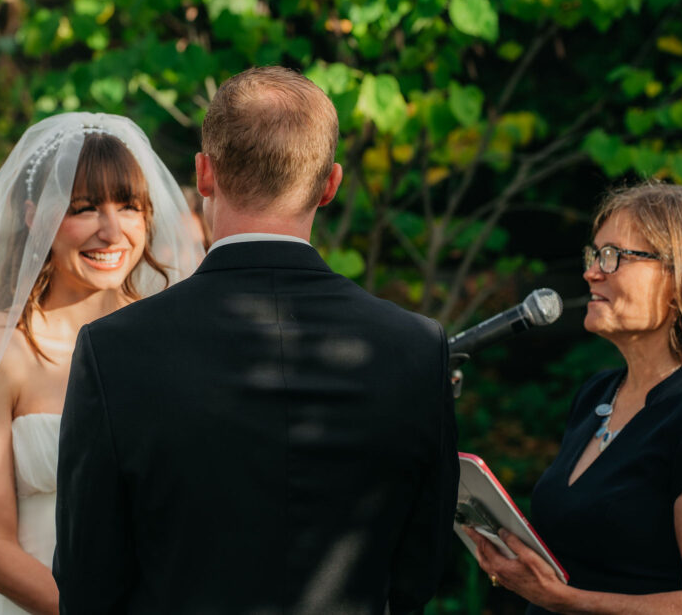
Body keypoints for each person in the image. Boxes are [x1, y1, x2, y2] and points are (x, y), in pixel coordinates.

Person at [54, 66, 459, 614]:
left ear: (204, 173)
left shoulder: (115, 348)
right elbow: (422, 566)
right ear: (331, 184)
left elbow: (87, 578)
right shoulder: (415, 348)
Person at [0, 112, 202, 615]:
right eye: (86, 209)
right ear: (36, 215)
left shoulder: (169, 339)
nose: (112, 232)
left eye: (130, 207)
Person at [467, 182, 682, 614]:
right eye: (594, 255)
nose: (592, 272)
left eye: (614, 257)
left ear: (678, 280)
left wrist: (566, 601)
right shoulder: (597, 394)